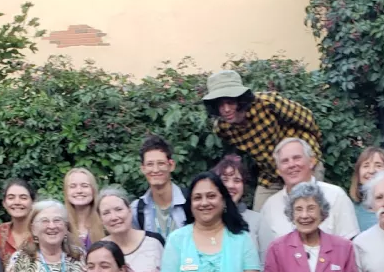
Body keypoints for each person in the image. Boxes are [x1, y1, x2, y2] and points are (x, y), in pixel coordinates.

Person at [202, 70, 323, 212]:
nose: (226, 109)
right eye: (220, 105)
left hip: (301, 165)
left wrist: (310, 155)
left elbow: (308, 120)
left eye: (230, 102)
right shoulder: (222, 128)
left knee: (308, 208)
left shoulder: (268, 103)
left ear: (241, 100)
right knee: (261, 214)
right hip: (271, 173)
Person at [256, 139, 360, 251]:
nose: (291, 164)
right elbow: (266, 255)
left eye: (297, 158)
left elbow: (350, 245)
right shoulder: (270, 206)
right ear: (278, 171)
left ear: (312, 161)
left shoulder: (335, 196)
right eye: (285, 161)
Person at [131, 135, 188, 239]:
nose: (155, 170)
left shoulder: (189, 201)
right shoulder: (136, 210)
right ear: (143, 169)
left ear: (171, 165)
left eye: (161, 163)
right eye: (150, 164)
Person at [348, 147, 384, 233]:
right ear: (358, 174)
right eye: (366, 166)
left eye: (378, 165)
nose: (371, 171)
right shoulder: (350, 210)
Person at [0, 178, 36, 268]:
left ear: (33, 202)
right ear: (4, 203)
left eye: (23, 198)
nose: (17, 202)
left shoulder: (41, 233)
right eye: (11, 198)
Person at [63, 167, 103, 251]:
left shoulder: (105, 222)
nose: (79, 190)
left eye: (85, 186)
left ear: (93, 190)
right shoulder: (60, 224)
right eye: (72, 186)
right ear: (66, 192)